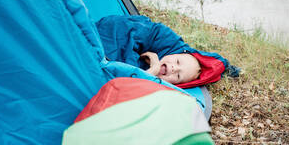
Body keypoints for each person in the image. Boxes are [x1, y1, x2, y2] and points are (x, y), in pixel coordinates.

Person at [96, 15, 240, 88]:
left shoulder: (154, 79)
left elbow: (126, 85)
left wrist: (152, 70)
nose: (173, 68)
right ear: (178, 53)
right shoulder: (166, 40)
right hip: (105, 34)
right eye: (178, 62)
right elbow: (126, 30)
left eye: (178, 75)